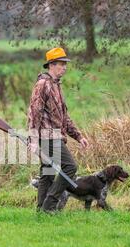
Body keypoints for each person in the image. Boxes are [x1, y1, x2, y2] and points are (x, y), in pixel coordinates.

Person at [27, 47, 89, 213]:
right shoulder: (43, 85)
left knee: (47, 173)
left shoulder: (56, 85)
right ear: (51, 65)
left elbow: (63, 116)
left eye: (65, 64)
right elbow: (34, 113)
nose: (65, 67)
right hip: (48, 137)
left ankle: (41, 210)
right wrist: (33, 140)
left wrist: (78, 136)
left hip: (54, 136)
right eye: (61, 64)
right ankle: (50, 204)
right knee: (70, 167)